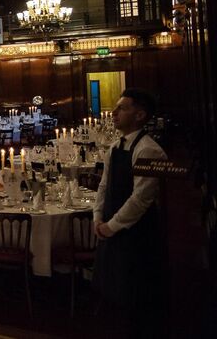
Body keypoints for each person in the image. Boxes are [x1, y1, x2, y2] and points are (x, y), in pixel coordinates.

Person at [93, 88, 167, 337]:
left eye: (122, 108)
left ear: (139, 115)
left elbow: (140, 199)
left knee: (138, 294)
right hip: (112, 225)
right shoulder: (114, 147)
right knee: (115, 287)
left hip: (138, 233)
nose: (113, 113)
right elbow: (103, 186)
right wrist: (97, 217)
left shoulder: (150, 151)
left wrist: (110, 226)